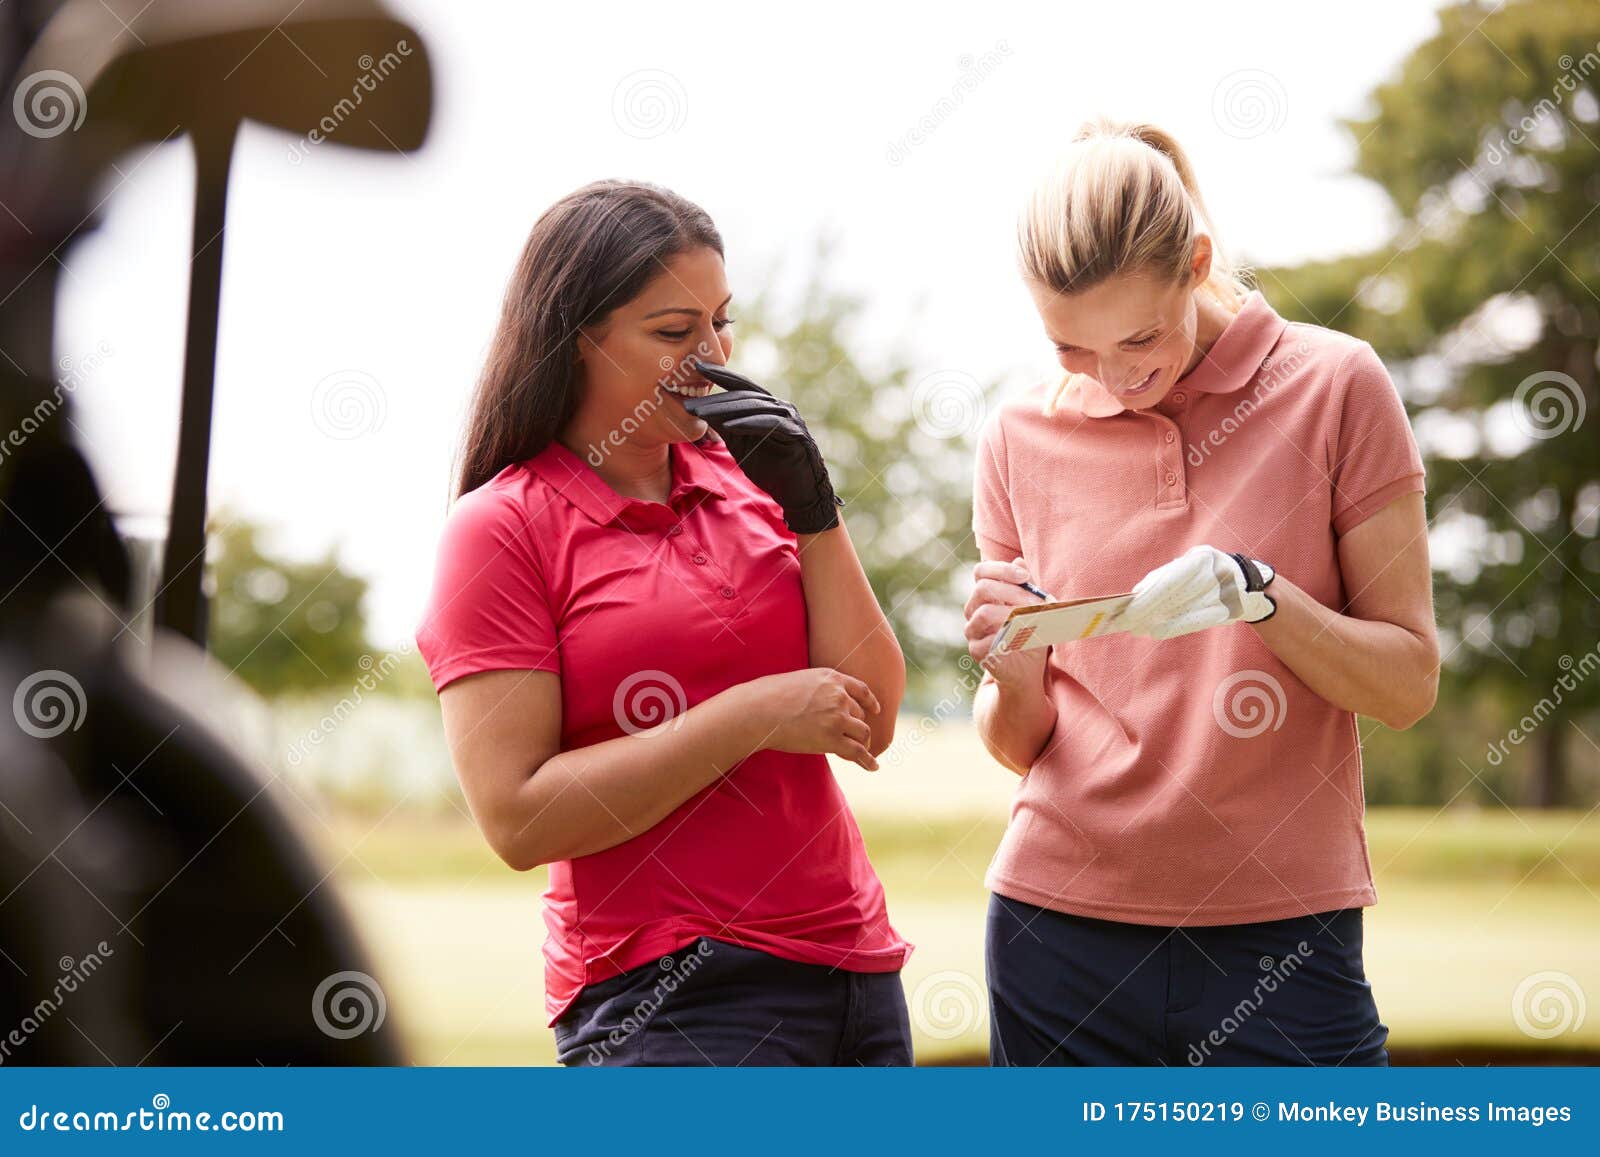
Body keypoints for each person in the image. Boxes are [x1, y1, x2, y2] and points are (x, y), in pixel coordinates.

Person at [964, 117, 1438, 1066]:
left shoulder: (1335, 385)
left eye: (1138, 336)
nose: (1116, 377)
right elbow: (1022, 742)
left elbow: (1406, 682)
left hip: (1284, 934)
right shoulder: (1018, 436)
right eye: (1072, 349)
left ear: (1197, 261)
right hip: (1056, 932)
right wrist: (1011, 671)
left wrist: (1259, 594)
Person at [416, 180, 913, 1066]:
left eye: (724, 322)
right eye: (675, 333)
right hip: (667, 996)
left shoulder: (749, 481)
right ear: (576, 340)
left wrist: (817, 511)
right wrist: (756, 713)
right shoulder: (503, 527)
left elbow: (870, 715)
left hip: (854, 972)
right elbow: (517, 819)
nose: (716, 355)